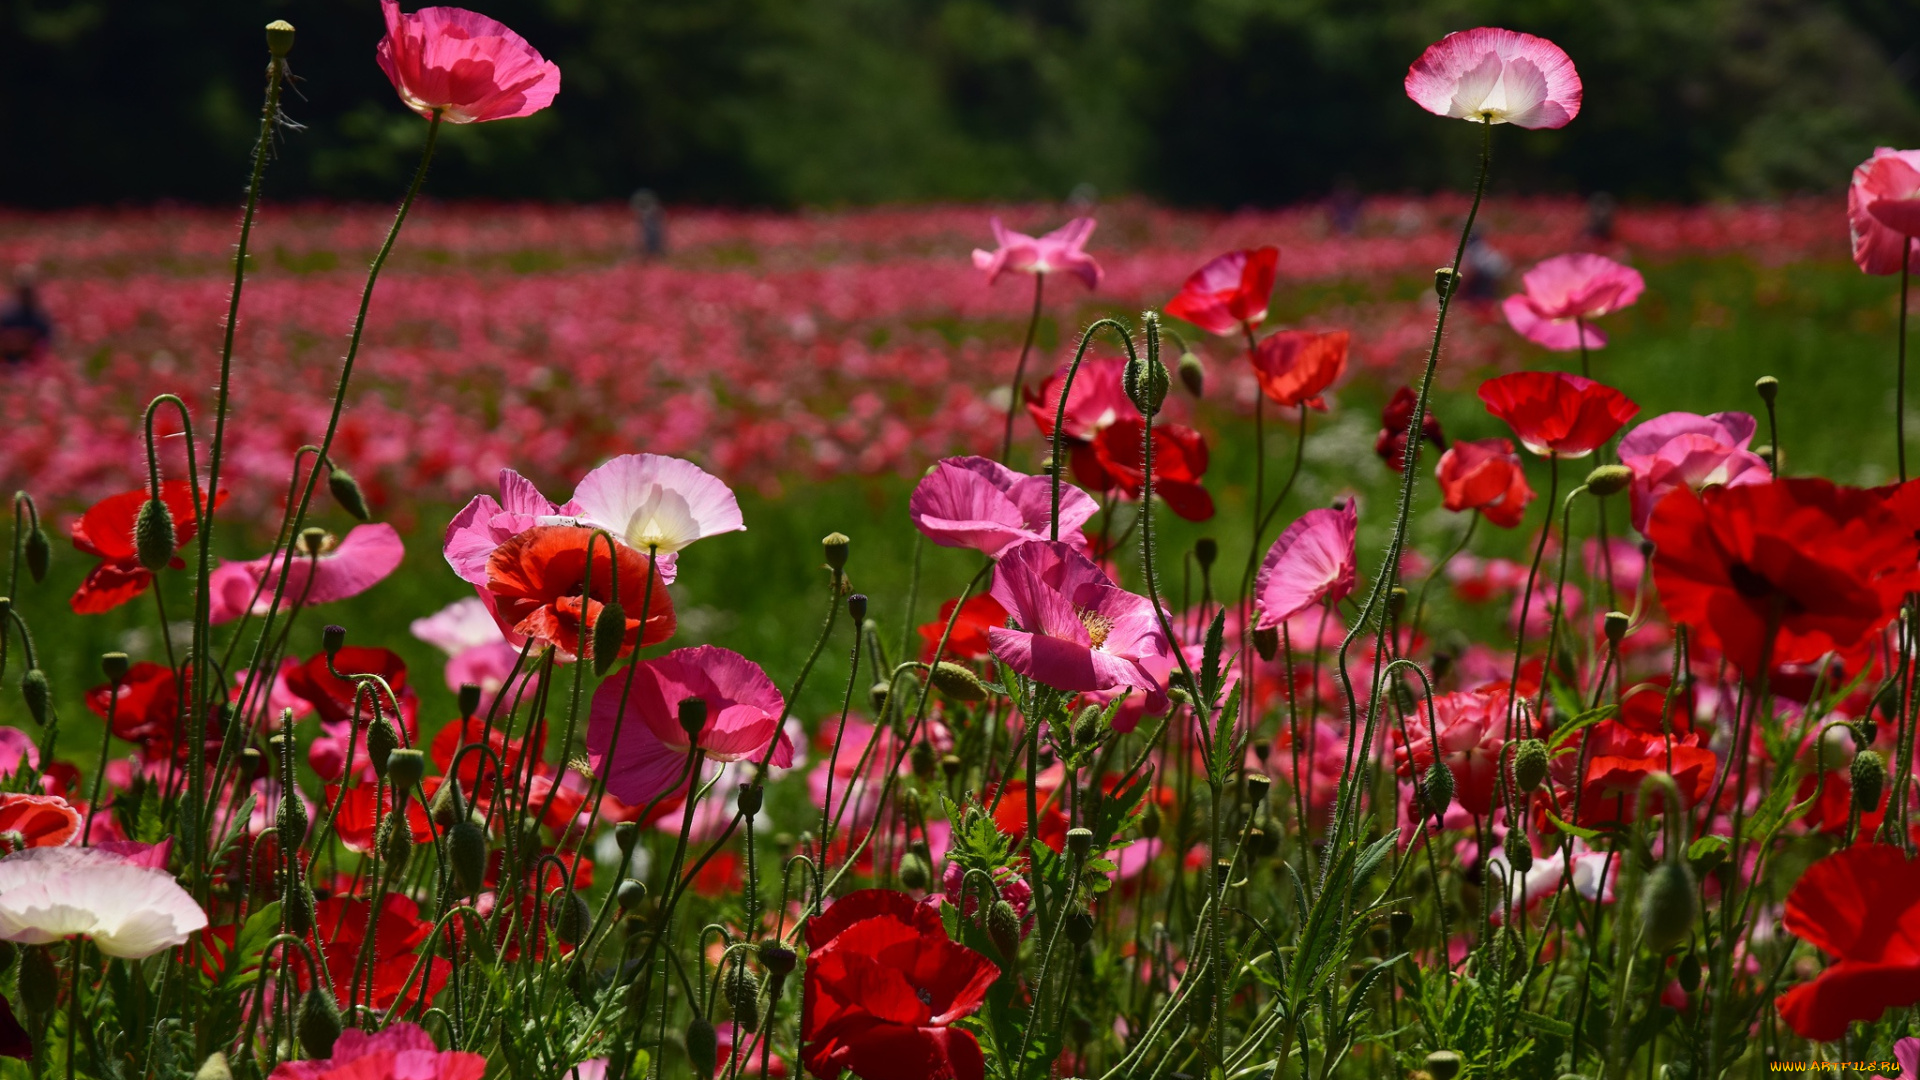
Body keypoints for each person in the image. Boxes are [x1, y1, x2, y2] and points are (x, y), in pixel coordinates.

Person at [0, 265, 51, 365]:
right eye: (24, 290)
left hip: (32, 366)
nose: (26, 294)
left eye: (28, 291)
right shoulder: (7, 316)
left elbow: (47, 344)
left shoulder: (40, 319)